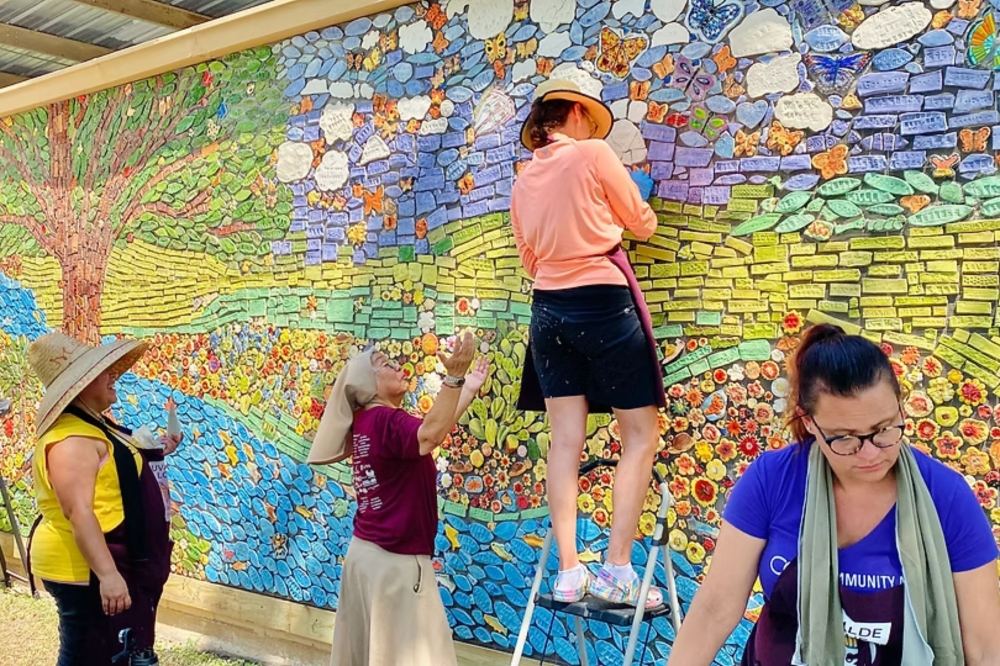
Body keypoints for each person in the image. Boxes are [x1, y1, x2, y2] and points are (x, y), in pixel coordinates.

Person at [668, 324, 1000, 665]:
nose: (870, 454)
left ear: (901, 408)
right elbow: (715, 610)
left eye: (884, 429)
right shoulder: (772, 480)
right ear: (810, 423)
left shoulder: (946, 497)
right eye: (845, 438)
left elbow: (986, 647)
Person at [510, 78, 666, 607]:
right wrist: (639, 210)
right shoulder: (595, 153)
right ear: (577, 111)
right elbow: (639, 225)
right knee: (640, 436)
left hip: (547, 310)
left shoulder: (523, 178)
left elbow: (528, 258)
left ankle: (570, 572)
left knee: (565, 442)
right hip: (602, 299)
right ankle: (618, 570)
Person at [307, 331, 489, 666]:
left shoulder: (368, 422)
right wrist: (454, 379)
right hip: (396, 565)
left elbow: (432, 430)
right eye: (385, 365)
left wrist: (467, 389)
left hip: (365, 558)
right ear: (368, 383)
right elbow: (431, 433)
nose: (397, 366)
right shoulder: (389, 421)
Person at [26, 332, 182, 665]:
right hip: (86, 570)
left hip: (110, 561)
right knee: (87, 654)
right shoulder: (71, 438)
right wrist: (109, 575)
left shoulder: (96, 426)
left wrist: (161, 448)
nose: (113, 375)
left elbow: (120, 466)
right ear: (80, 384)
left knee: (113, 654)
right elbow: (79, 511)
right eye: (103, 370)